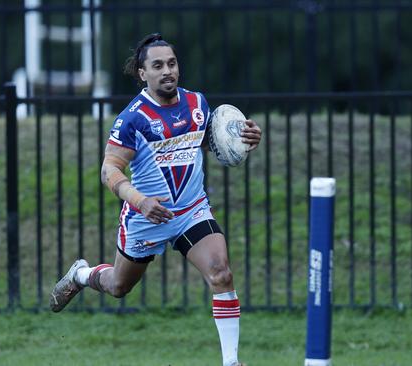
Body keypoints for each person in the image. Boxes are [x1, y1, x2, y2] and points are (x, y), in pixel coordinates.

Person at [49, 33, 261, 366]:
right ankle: (80, 275)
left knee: (221, 273)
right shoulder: (133, 118)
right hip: (146, 218)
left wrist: (243, 136)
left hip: (191, 211)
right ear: (142, 73)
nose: (167, 71)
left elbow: (206, 141)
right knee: (118, 287)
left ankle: (231, 362)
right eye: (158, 65)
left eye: (172, 63)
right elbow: (110, 170)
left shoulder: (197, 104)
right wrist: (140, 201)